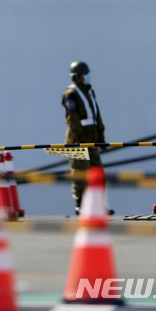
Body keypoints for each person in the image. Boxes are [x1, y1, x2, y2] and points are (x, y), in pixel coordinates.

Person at [61, 61, 106, 215]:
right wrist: (80, 140)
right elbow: (72, 120)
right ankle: (80, 204)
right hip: (77, 141)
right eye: (85, 75)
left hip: (92, 139)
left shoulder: (89, 91)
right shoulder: (71, 94)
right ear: (78, 76)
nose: (88, 77)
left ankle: (98, 204)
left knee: (97, 172)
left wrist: (101, 137)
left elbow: (96, 117)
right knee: (80, 173)